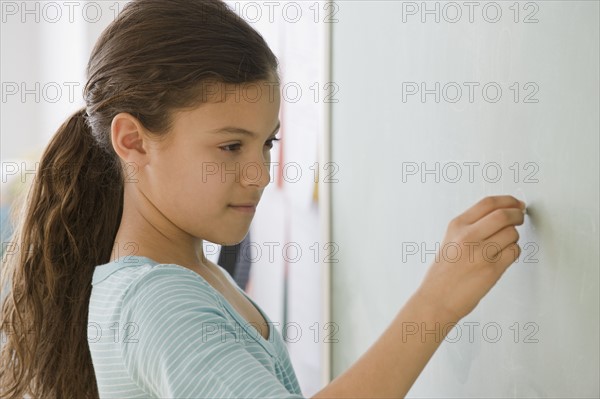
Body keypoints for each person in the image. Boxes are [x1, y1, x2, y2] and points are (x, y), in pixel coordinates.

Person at [0, 0, 527, 398]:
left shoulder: (195, 273)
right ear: (134, 141)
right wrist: (435, 304)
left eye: (267, 142)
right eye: (230, 146)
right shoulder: (157, 300)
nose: (259, 173)